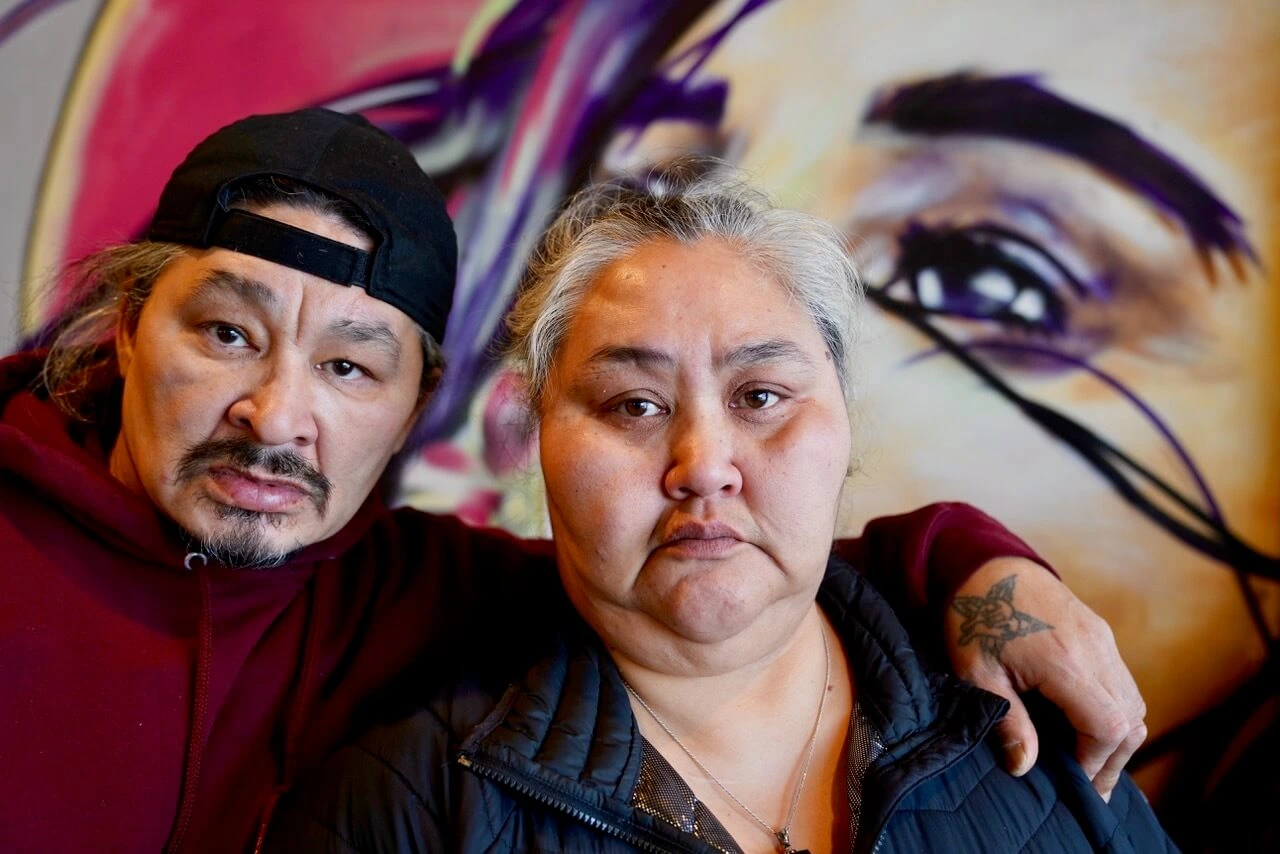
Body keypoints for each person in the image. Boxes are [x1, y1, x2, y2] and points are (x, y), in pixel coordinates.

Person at [0, 111, 1136, 854]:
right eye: (228, 333)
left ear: (413, 406)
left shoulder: (407, 586)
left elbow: (714, 567)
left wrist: (963, 559)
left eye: (350, 364)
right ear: (127, 325)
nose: (278, 414)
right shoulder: (411, 794)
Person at [265, 160, 1167, 853]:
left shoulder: (1015, 708)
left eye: (761, 396)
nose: (703, 467)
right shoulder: (400, 808)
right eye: (634, 405)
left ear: (843, 424)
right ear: (536, 437)